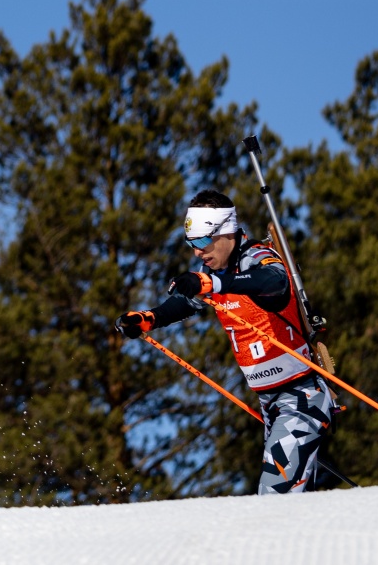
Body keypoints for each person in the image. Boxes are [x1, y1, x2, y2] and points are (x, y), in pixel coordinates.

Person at [116, 190, 334, 494]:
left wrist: (213, 283)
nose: (197, 252)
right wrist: (149, 318)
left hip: (300, 396)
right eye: (192, 244)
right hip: (269, 404)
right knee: (292, 501)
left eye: (203, 241)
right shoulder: (214, 272)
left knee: (274, 498)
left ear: (227, 231)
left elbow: (274, 280)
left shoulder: (256, 257)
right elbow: (185, 303)